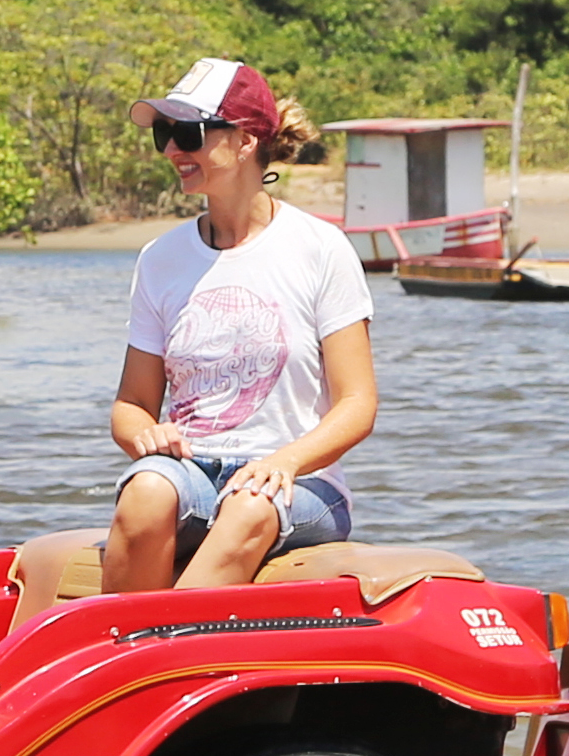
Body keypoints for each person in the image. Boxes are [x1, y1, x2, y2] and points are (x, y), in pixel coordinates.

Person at [102, 57, 376, 595]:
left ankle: (168, 657)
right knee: (146, 493)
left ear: (247, 140)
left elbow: (357, 404)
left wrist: (285, 461)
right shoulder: (160, 259)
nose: (173, 151)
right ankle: (120, 658)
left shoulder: (320, 249)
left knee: (251, 504)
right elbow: (131, 404)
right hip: (191, 472)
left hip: (302, 481)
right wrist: (146, 434)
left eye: (189, 133)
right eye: (165, 134)